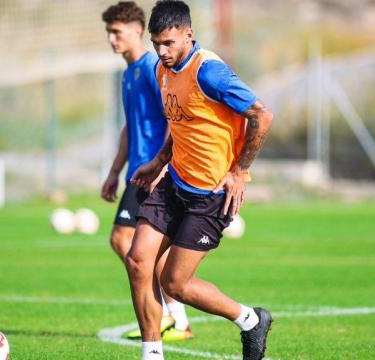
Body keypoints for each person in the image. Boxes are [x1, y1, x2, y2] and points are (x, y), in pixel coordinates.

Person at [125, 1, 274, 359]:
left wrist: (238, 172)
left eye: (170, 43)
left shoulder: (210, 72)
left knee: (175, 283)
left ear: (189, 35)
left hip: (211, 196)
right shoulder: (164, 69)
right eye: (157, 43)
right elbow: (182, 122)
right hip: (174, 181)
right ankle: (152, 354)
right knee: (137, 260)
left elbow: (261, 116)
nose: (162, 52)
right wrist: (159, 161)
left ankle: (251, 320)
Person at [100, 1, 192, 341]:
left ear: (138, 31)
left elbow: (173, 117)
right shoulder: (129, 73)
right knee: (136, 246)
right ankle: (174, 318)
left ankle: (169, 316)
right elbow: (129, 127)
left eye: (117, 32)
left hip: (153, 171)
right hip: (137, 170)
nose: (111, 39)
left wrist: (162, 164)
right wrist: (113, 171)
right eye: (109, 32)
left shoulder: (154, 66)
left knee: (126, 241)